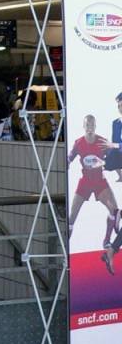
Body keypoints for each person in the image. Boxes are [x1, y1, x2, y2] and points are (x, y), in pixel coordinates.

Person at [67, 114, 120, 274]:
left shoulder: (102, 142)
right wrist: (67, 162)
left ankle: (107, 241)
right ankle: (66, 245)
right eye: (87, 124)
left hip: (99, 182)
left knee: (115, 209)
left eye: (92, 123)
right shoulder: (78, 143)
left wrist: (119, 173)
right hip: (85, 182)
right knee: (72, 216)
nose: (89, 126)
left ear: (95, 125)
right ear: (83, 126)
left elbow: (113, 160)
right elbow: (70, 157)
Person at [103, 91, 122, 184]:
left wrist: (115, 145)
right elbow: (114, 139)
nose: (120, 108)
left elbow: (116, 144)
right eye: (119, 106)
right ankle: (120, 175)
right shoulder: (116, 123)